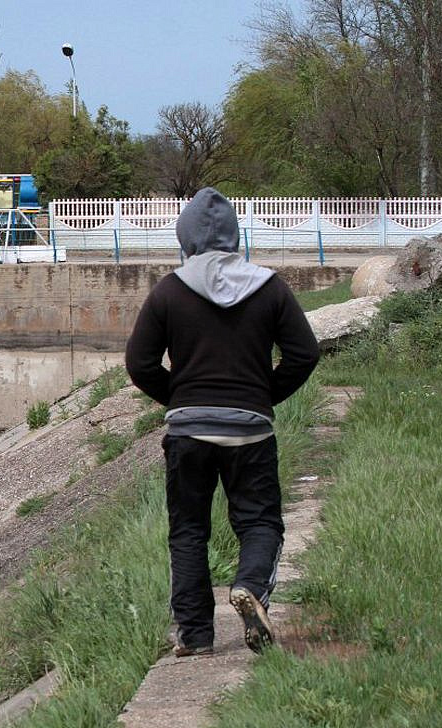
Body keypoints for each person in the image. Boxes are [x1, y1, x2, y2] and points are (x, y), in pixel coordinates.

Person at [125, 188, 319, 656]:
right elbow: (304, 354)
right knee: (260, 523)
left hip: (189, 431)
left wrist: (179, 397)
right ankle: (251, 586)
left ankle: (195, 636)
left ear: (185, 237)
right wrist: (262, 396)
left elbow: (139, 362)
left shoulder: (169, 291)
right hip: (250, 428)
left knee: (189, 530)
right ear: (236, 235)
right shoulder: (270, 287)